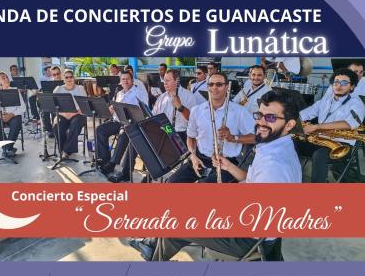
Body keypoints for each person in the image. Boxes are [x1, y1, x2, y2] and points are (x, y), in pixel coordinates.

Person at [131, 91, 301, 261]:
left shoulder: (274, 164)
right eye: (259, 115)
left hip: (248, 239)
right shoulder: (275, 146)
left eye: (271, 118)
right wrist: (228, 166)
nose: (261, 122)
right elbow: (253, 180)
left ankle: (153, 250)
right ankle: (152, 248)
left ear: (289, 124)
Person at [109, 69, 197, 182]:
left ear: (176, 81)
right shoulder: (162, 97)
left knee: (156, 145)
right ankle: (125, 172)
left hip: (179, 133)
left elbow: (193, 120)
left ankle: (149, 177)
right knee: (136, 139)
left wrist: (180, 107)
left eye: (168, 81)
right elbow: (153, 116)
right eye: (164, 81)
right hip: (162, 130)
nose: (164, 83)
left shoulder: (188, 96)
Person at [166, 73, 255, 183]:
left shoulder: (240, 112)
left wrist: (233, 138)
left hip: (228, 162)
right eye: (211, 84)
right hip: (201, 158)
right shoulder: (196, 110)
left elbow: (256, 137)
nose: (214, 88)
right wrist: (193, 157)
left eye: (219, 84)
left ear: (227, 87)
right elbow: (191, 137)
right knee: (172, 181)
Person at [298, 68, 365, 182]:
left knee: (320, 156)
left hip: (342, 144)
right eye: (336, 82)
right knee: (290, 144)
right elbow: (306, 113)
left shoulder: (357, 103)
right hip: (320, 139)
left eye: (344, 83)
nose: (339, 85)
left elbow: (349, 124)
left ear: (352, 87)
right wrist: (293, 121)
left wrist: (317, 126)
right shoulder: (325, 100)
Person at [96, 71, 148, 175]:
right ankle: (105, 159)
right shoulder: (119, 93)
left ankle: (112, 164)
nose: (125, 81)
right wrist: (111, 109)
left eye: (127, 79)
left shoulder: (139, 92)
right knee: (100, 129)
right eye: (123, 79)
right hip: (118, 121)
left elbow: (144, 111)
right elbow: (114, 109)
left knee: (124, 133)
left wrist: (127, 123)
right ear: (120, 81)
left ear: (132, 80)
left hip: (132, 124)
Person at [52, 70, 87, 158]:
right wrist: (63, 113)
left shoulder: (80, 88)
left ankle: (66, 150)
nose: (69, 79)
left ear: (73, 78)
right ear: (63, 79)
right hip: (62, 114)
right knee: (57, 125)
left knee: (75, 124)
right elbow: (53, 105)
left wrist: (74, 113)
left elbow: (85, 105)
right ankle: (64, 149)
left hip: (78, 114)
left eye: (71, 77)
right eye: (66, 77)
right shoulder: (58, 89)